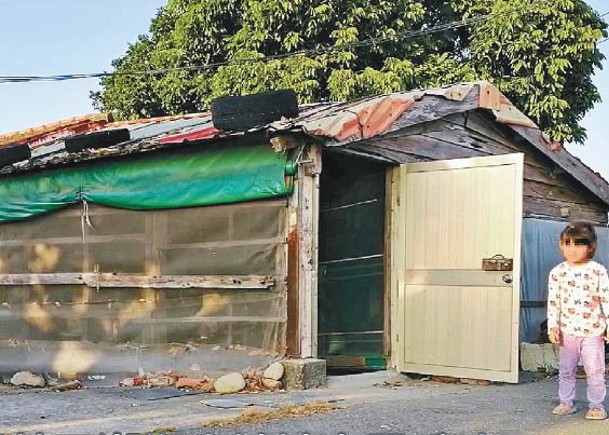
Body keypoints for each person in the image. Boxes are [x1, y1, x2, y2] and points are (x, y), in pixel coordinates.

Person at [547, 221, 609, 420]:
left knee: (595, 370)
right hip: (567, 331)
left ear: (591, 246)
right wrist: (552, 327)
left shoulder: (597, 271)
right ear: (561, 245)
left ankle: (597, 405)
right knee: (566, 370)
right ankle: (566, 402)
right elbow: (553, 301)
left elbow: (605, 299)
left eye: (579, 244)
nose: (572, 249)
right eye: (568, 243)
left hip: (593, 331)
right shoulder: (557, 272)